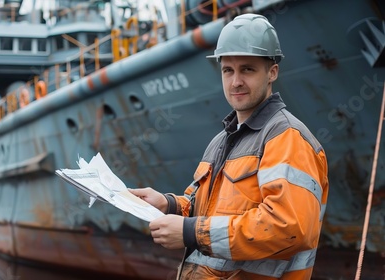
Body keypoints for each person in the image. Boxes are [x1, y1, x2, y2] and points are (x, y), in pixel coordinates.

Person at [129, 13, 329, 279]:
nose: (235, 81)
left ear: (272, 72)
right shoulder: (222, 140)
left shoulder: (287, 138)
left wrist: (190, 232)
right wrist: (168, 205)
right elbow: (202, 204)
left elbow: (288, 227)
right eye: (228, 70)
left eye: (247, 69)